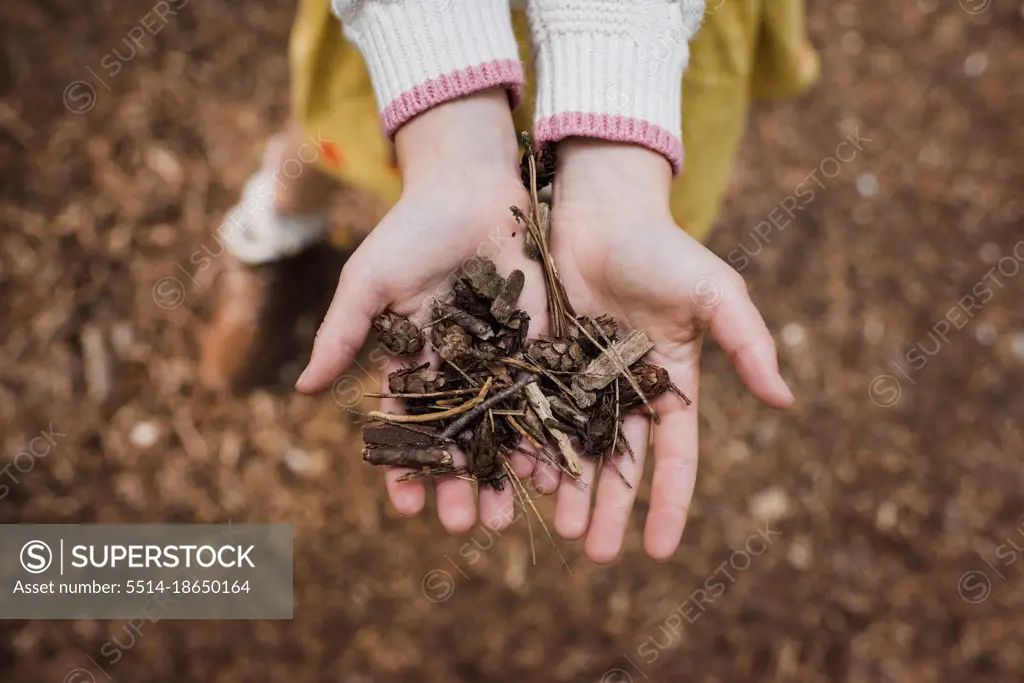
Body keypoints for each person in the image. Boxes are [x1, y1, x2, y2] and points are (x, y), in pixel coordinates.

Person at [200, 0, 819, 563]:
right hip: (412, 38)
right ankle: (276, 231)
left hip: (655, 47)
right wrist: (447, 129)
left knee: (656, 199)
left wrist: (618, 155)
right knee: (328, 145)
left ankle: (593, 179)